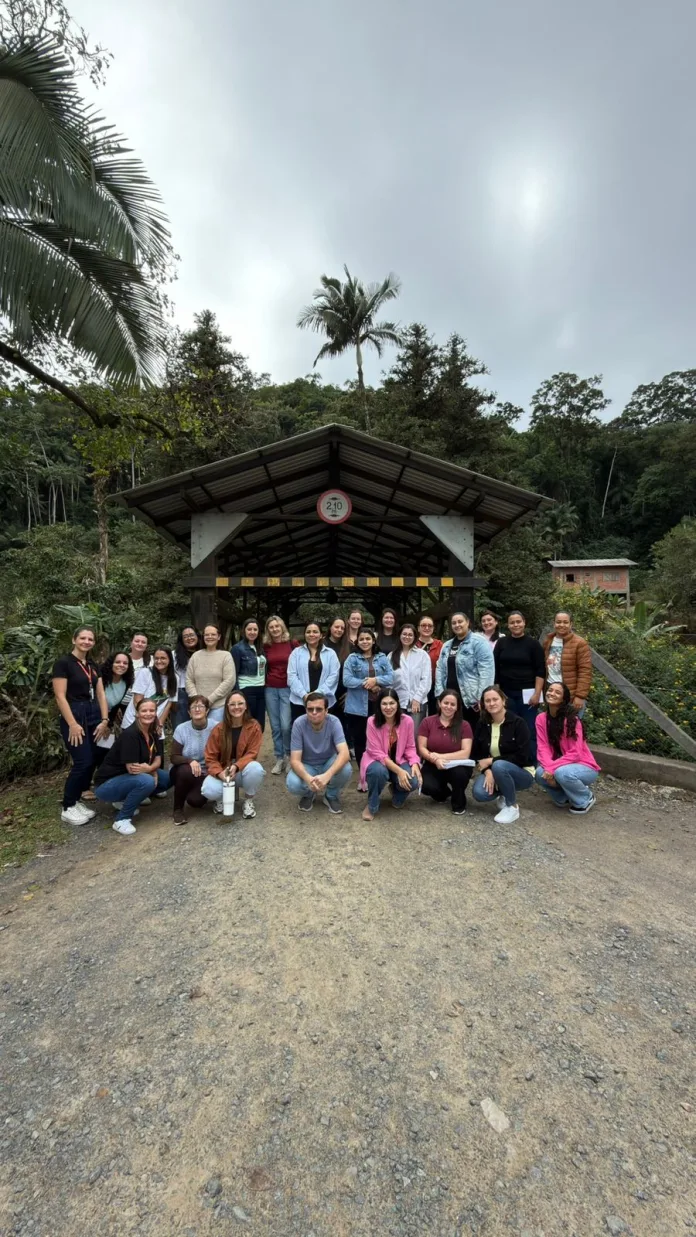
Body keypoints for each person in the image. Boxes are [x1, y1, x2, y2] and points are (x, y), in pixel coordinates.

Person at [52, 626, 110, 825]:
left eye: (90, 639)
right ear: (74, 639)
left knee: (94, 757)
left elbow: (101, 693)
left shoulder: (92, 664)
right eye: (82, 638)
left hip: (94, 714)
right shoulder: (63, 663)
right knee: (82, 761)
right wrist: (72, 724)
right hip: (74, 715)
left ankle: (76, 801)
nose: (86, 642)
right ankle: (68, 806)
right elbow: (60, 696)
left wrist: (105, 720)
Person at [94, 698, 171, 835]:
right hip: (107, 784)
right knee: (146, 781)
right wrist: (151, 772)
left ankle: (126, 799)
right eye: (144, 711)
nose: (148, 714)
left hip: (130, 777)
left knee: (167, 779)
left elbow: (158, 760)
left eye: (152, 710)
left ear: (156, 712)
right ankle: (121, 820)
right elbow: (132, 769)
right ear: (137, 714)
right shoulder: (130, 734)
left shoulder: (154, 731)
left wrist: (151, 770)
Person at [471, 685, 534, 825]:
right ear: (483, 704)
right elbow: (477, 754)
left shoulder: (518, 723)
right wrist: (488, 771)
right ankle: (505, 793)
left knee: (499, 765)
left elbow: (523, 757)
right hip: (495, 770)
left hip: (522, 773)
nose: (491, 703)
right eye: (487, 701)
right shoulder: (482, 723)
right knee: (479, 793)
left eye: (495, 699)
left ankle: (512, 806)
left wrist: (492, 761)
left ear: (503, 701)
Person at [535, 683, 601, 814]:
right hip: (559, 764)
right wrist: (548, 768)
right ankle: (563, 797)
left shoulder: (571, 720)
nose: (552, 693)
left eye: (557, 692)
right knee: (539, 773)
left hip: (584, 766)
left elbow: (576, 753)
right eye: (550, 690)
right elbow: (543, 747)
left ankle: (585, 798)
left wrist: (551, 769)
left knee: (562, 773)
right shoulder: (541, 718)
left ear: (563, 699)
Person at [202, 690, 265, 820]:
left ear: (246, 706)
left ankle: (248, 800)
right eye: (232, 704)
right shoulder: (219, 729)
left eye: (240, 703)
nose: (236, 707)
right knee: (207, 789)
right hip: (223, 772)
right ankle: (221, 798)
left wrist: (236, 766)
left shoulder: (254, 726)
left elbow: (252, 753)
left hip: (242, 771)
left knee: (256, 769)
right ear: (227, 707)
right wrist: (219, 773)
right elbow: (210, 757)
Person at [360, 688, 421, 821]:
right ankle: (372, 805)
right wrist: (399, 771)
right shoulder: (372, 721)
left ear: (398, 704)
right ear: (379, 705)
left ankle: (397, 794)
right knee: (378, 772)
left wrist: (415, 763)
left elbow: (410, 747)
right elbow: (376, 752)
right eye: (384, 703)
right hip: (376, 761)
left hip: (399, 760)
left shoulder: (407, 721)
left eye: (392, 703)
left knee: (413, 780)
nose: (388, 707)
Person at [286, 692, 352, 814]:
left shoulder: (334, 722)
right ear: (306, 710)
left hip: (328, 763)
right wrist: (308, 779)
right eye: (310, 709)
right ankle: (309, 794)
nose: (314, 712)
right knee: (292, 783)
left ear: (326, 711)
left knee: (346, 768)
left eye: (319, 709)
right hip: (307, 765)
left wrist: (327, 775)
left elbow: (345, 753)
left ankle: (331, 795)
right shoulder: (298, 724)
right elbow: (295, 760)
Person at [493, 611, 546, 762]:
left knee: (529, 728)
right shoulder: (502, 643)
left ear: (524, 623)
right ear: (508, 625)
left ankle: (530, 761)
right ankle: (509, 760)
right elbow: (495, 667)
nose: (515, 625)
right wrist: (497, 692)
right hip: (506, 693)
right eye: (512, 622)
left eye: (518, 622)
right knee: (508, 727)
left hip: (528, 693)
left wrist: (537, 693)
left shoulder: (533, 644)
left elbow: (540, 670)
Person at [343, 626, 394, 781]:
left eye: (368, 639)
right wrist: (368, 683)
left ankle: (380, 771)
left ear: (373, 641)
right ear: (357, 641)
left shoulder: (382, 657)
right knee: (361, 742)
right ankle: (363, 776)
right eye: (361, 639)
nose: (365, 641)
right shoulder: (352, 658)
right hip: (357, 708)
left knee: (380, 740)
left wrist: (376, 680)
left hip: (378, 706)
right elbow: (347, 680)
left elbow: (391, 677)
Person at [417, 690, 474, 815]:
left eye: (453, 704)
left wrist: (440, 757)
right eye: (446, 703)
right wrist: (435, 760)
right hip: (433, 763)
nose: (449, 706)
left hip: (458, 764)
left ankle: (458, 802)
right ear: (439, 703)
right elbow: (422, 748)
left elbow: (465, 753)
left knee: (459, 775)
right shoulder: (427, 722)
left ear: (457, 707)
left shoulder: (464, 725)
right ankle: (444, 794)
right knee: (426, 785)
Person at [434, 612, 495, 729]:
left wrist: (482, 697)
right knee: (452, 732)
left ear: (467, 622)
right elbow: (440, 669)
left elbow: (486, 671)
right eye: (454, 623)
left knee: (473, 731)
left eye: (460, 621)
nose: (457, 625)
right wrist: (440, 694)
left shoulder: (479, 642)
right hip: (450, 699)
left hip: (471, 700)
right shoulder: (447, 645)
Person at [169, 694, 217, 824]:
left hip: (205, 772)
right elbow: (174, 757)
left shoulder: (216, 727)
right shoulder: (181, 729)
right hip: (183, 770)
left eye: (201, 706)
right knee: (184, 771)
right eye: (193, 707)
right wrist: (190, 761)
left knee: (196, 801)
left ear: (207, 711)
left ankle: (193, 791)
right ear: (189, 712)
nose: (197, 709)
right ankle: (178, 810)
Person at [263, 615, 298, 776]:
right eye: (271, 627)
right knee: (275, 726)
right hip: (270, 688)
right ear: (268, 630)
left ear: (282, 627)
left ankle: (290, 756)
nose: (275, 629)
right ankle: (279, 757)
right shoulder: (266, 646)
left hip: (287, 688)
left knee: (286, 725)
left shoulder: (292, 644)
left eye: (277, 626)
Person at [287, 621, 340, 723]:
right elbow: (292, 676)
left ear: (321, 635)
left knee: (323, 731)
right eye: (308, 632)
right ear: (305, 634)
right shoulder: (296, 653)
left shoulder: (330, 654)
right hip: (299, 702)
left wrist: (317, 694)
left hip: (324, 702)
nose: (311, 634)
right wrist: (304, 695)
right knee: (300, 731)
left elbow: (334, 676)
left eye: (315, 632)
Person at [542, 611, 593, 715]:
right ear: (554, 623)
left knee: (570, 723)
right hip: (551, 690)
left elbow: (585, 671)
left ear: (571, 624)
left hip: (570, 693)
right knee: (552, 722)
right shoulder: (548, 640)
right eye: (558, 622)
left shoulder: (579, 643)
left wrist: (580, 696)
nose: (561, 625)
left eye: (565, 622)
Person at [185, 623, 236, 723]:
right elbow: (189, 680)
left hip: (218, 706)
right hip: (197, 707)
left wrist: (209, 700)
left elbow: (229, 681)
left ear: (219, 637)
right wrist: (197, 701)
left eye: (213, 634)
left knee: (215, 732)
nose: (210, 637)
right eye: (207, 635)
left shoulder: (226, 656)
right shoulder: (195, 656)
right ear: (203, 637)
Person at [94, 651, 134, 772]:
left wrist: (108, 724)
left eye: (125, 663)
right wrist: (103, 722)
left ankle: (100, 777)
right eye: (118, 662)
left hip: (107, 721)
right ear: (111, 663)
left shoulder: (126, 682)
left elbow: (116, 706)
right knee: (90, 756)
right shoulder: (101, 678)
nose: (121, 665)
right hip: (93, 718)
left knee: (104, 752)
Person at [121, 645, 178, 731]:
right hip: (134, 722)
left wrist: (160, 724)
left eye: (163, 658)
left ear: (170, 659)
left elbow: (169, 704)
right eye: (156, 658)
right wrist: (146, 723)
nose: (159, 661)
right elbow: (137, 701)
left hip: (155, 724)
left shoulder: (175, 678)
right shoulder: (145, 673)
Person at [390, 622, 431, 737]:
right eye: (404, 634)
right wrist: (392, 699)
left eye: (410, 635)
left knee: (414, 735)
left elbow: (426, 679)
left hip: (417, 702)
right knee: (398, 735)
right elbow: (389, 681)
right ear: (399, 635)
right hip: (398, 702)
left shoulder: (422, 655)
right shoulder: (392, 656)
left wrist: (417, 698)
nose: (407, 637)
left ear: (414, 637)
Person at [231, 618, 267, 730]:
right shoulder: (237, 649)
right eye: (249, 629)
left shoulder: (260, 647)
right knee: (247, 725)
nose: (252, 632)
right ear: (244, 631)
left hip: (261, 689)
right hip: (246, 689)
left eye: (255, 629)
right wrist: (237, 693)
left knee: (260, 726)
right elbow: (234, 673)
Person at [325, 615, 352, 731]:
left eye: (342, 628)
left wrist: (350, 693)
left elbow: (356, 671)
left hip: (343, 693)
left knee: (342, 727)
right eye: (337, 627)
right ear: (330, 627)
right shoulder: (321, 645)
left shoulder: (350, 646)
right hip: (325, 691)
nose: (339, 630)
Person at [173, 626, 201, 727]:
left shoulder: (205, 653)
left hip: (201, 691)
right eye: (185, 636)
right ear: (181, 639)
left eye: (191, 635)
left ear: (197, 636)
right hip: (181, 693)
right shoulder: (174, 655)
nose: (189, 638)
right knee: (181, 725)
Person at [416, 613, 443, 715]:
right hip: (417, 685)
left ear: (433, 628)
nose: (427, 628)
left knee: (435, 713)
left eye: (430, 626)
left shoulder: (440, 645)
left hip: (435, 685)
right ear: (418, 628)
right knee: (418, 714)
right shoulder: (413, 644)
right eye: (423, 625)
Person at [122, 631, 150, 712]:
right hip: (123, 702)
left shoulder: (152, 661)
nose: (140, 644)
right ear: (131, 643)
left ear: (146, 646)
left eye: (143, 642)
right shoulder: (122, 659)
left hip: (144, 703)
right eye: (137, 641)